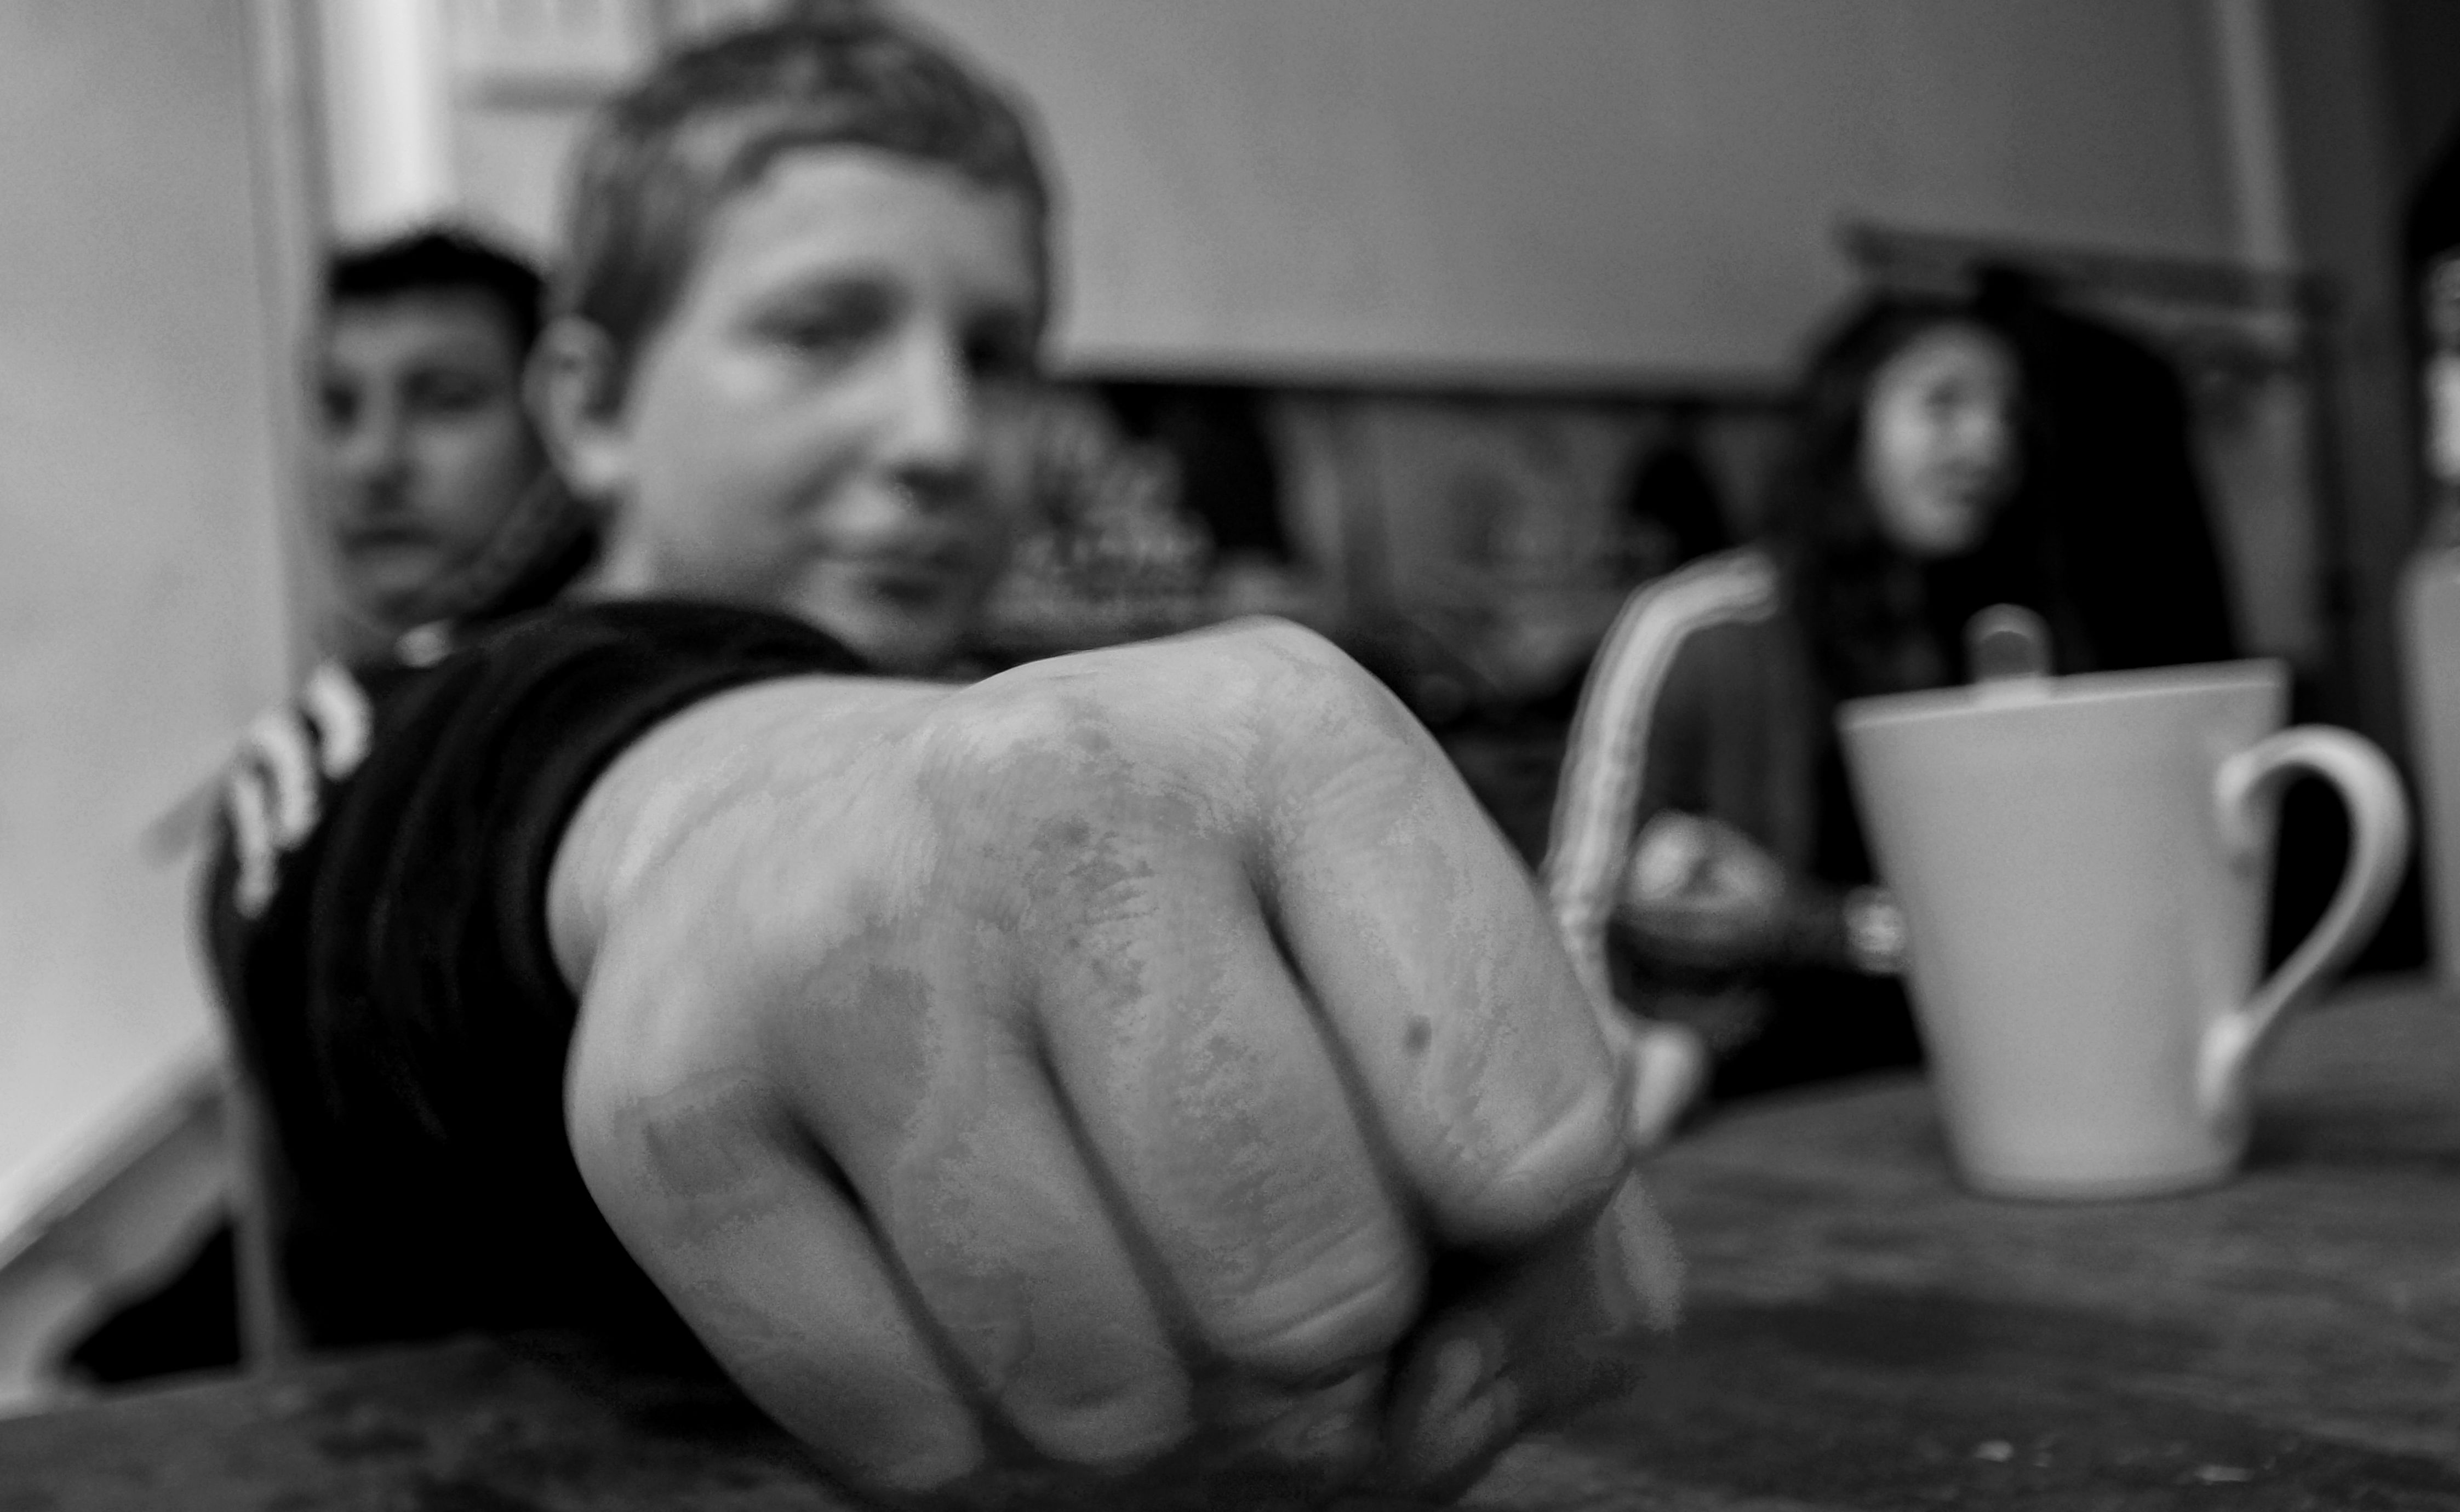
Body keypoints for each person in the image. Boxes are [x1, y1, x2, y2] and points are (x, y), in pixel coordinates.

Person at [204, 12, 1675, 1508]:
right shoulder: (367, 742)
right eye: (820, 330)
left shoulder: (1010, 717)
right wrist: (737, 813)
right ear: (589, 409)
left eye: (995, 356)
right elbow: (479, 794)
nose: (940, 435)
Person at [1544, 293, 2057, 1139]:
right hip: (1744, 1091)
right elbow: (1579, 904)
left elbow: (2022, 922)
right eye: (1943, 403)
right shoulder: (1697, 626)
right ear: (1846, 424)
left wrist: (1798, 922)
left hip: (1968, 1077)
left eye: (2006, 416)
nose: (1988, 444)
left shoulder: (2008, 640)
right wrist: (1610, 1062)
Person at [313, 226, 598, 662]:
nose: (372, 461)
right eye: (339, 408)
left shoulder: (612, 678)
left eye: (447, 400)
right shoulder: (361, 690)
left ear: (562, 418)